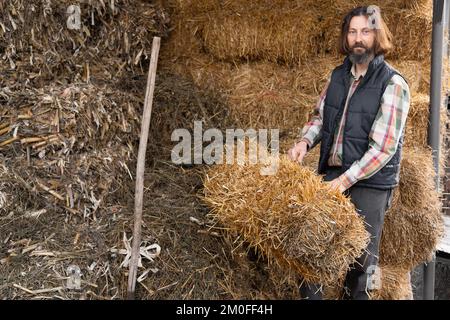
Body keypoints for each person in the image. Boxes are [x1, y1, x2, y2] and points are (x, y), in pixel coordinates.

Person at [287, 5, 410, 300]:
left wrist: (343, 183)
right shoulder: (337, 76)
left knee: (361, 264)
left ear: (377, 35)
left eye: (366, 32)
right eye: (352, 32)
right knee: (307, 247)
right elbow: (320, 117)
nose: (358, 38)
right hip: (332, 172)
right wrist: (304, 142)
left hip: (369, 183)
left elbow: (382, 149)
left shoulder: (393, 84)